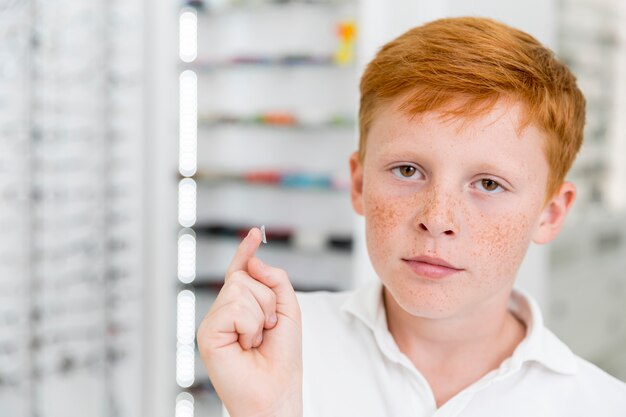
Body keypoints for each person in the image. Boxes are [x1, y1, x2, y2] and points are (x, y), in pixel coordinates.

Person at [197, 16, 626, 417]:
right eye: (408, 171)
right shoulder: (276, 348)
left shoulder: (601, 406)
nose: (438, 219)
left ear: (549, 214)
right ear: (360, 184)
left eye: (489, 184)